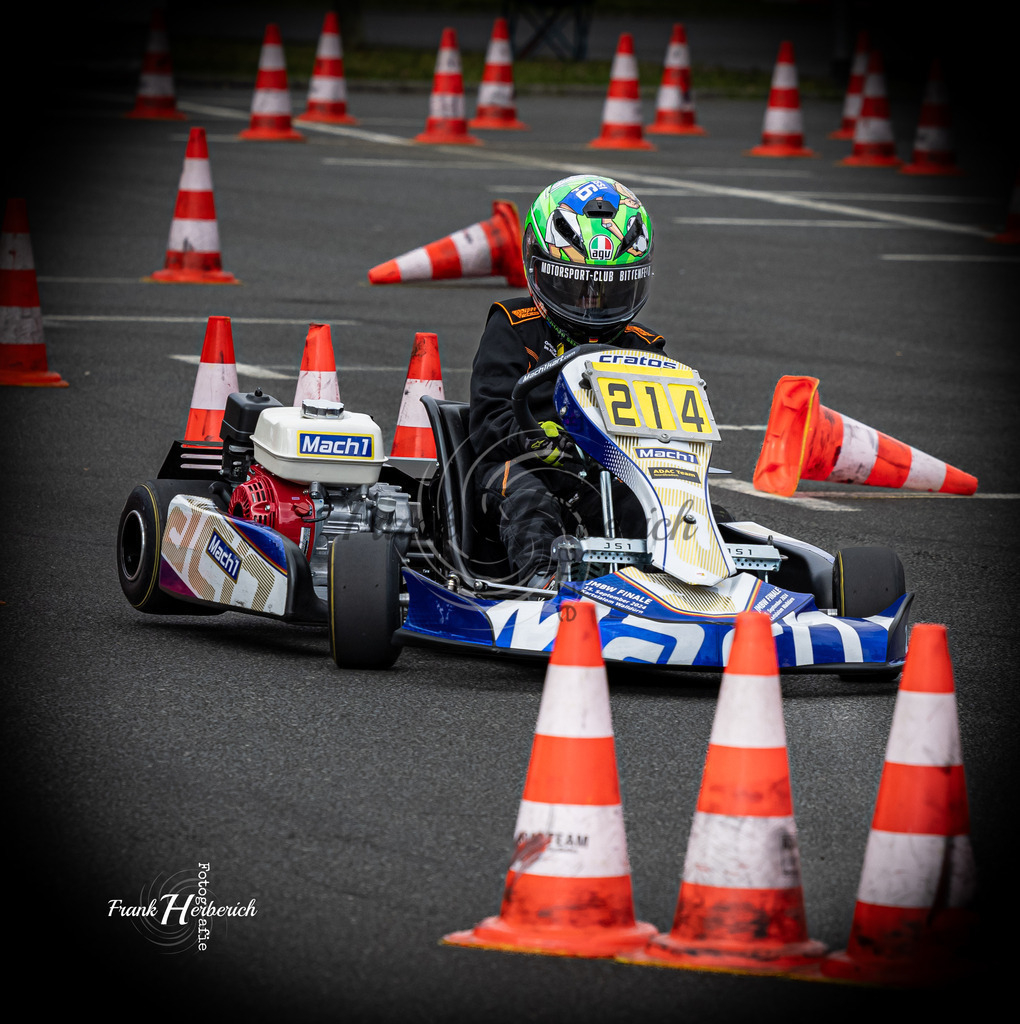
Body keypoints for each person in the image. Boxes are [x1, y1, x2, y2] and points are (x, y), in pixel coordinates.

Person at [468, 174, 669, 588]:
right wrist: (540, 439)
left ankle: (691, 580)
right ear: (542, 269)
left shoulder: (642, 347)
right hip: (523, 467)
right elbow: (489, 420)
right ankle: (544, 585)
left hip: (608, 475)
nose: (591, 304)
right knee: (529, 501)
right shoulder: (514, 327)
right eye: (576, 286)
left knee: (672, 511)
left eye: (611, 291)